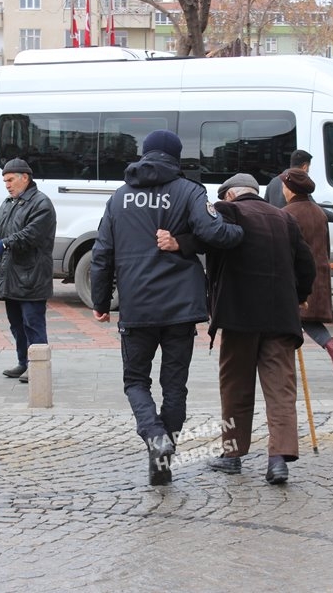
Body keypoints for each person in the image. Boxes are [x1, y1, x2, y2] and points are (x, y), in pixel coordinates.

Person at [91, 129, 243, 486]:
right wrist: (240, 228)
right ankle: (164, 454)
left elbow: (102, 255)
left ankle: (155, 440)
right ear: (175, 157)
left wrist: (101, 301)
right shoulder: (189, 191)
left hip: (137, 306)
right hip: (180, 308)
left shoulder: (119, 198)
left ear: (144, 155)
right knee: (175, 387)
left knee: (135, 381)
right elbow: (217, 233)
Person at [203, 173, 315, 485]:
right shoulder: (284, 218)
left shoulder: (229, 212)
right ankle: (278, 460)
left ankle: (232, 454)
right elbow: (306, 264)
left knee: (236, 386)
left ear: (229, 195)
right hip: (280, 315)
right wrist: (301, 297)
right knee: (280, 388)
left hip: (239, 315)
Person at [0, 158, 56, 384]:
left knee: (33, 323)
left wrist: (5, 244)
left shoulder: (41, 203)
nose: (7, 184)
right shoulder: (8, 203)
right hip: (11, 274)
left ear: (25, 178)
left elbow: (31, 235)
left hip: (32, 275)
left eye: (10, 180)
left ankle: (38, 367)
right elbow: (3, 233)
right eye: (4, 180)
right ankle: (23, 362)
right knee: (16, 324)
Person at [280, 168, 333, 378]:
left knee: (290, 320)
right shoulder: (318, 212)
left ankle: (282, 365)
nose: (282, 189)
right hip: (318, 273)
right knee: (307, 319)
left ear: (291, 189)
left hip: (298, 277)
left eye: (284, 185)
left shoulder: (288, 214)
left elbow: (286, 251)